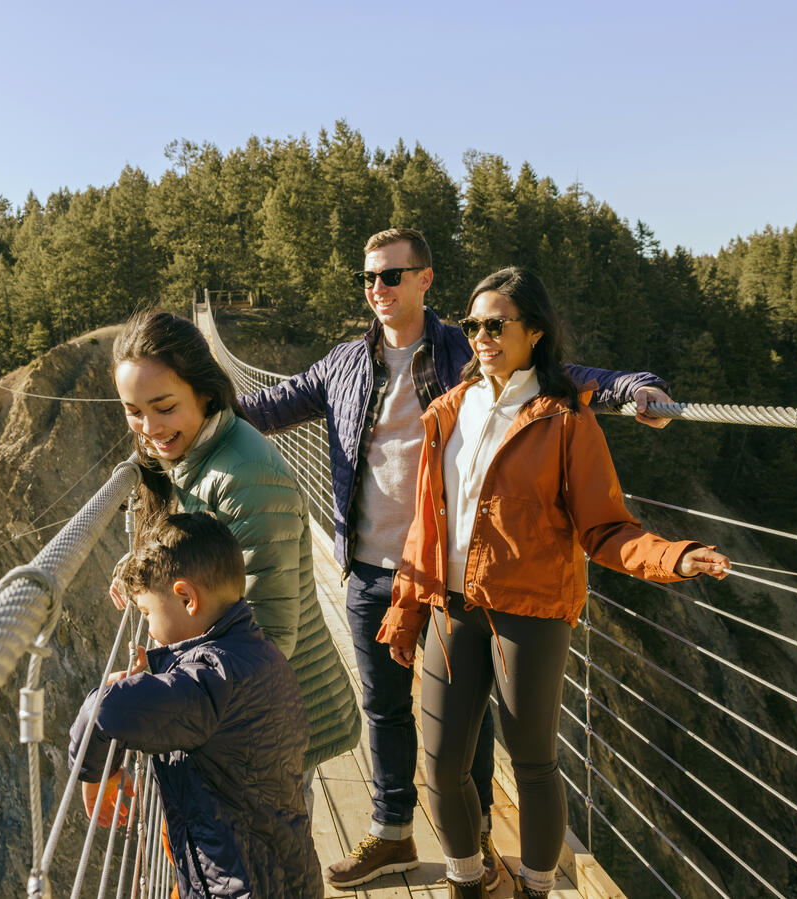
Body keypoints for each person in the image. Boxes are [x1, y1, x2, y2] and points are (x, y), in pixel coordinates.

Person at [239, 228, 675, 890]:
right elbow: (268, 407)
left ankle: (473, 849)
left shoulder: (461, 350)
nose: (376, 290)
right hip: (367, 565)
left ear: (424, 280)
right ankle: (392, 833)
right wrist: (188, 422)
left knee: (462, 734)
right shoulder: (342, 362)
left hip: (449, 574)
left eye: (390, 276)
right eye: (367, 279)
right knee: (383, 708)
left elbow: (559, 380)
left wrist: (633, 388)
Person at [376, 266, 731, 899]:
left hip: (529, 613)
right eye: (472, 325)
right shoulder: (449, 410)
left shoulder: (565, 419)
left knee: (533, 764)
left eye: (496, 325)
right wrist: (407, 607)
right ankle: (469, 878)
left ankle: (537, 888)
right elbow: (423, 529)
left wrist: (673, 557)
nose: (481, 336)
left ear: (534, 333)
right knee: (438, 763)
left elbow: (604, 528)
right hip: (450, 607)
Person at [110, 310, 361, 780]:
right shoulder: (192, 455)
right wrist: (142, 568)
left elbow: (270, 636)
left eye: (164, 407)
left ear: (204, 393)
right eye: (133, 410)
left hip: (276, 714)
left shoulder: (246, 481)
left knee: (274, 850)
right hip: (249, 705)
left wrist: (160, 699)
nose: (148, 428)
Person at [70, 512, 321, 898]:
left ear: (187, 598)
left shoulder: (208, 684)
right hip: (284, 869)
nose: (149, 630)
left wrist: (95, 774)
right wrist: (158, 678)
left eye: (147, 614)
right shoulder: (257, 653)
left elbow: (106, 712)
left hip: (236, 884)